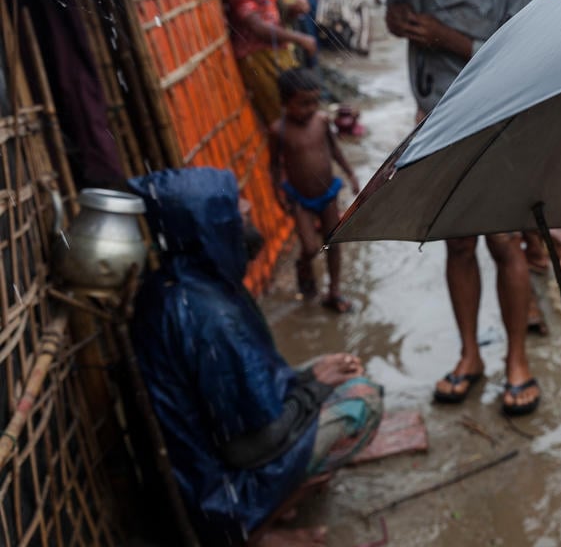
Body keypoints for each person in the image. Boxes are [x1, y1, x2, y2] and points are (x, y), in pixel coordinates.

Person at [129, 167, 383, 546]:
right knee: (363, 399)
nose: (247, 206)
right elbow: (249, 447)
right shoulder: (210, 316)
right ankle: (255, 530)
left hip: (200, 466)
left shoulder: (179, 284)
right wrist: (313, 386)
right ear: (209, 222)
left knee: (323, 369)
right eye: (234, 203)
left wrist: (308, 379)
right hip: (219, 492)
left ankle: (271, 510)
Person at [383, 0, 542, 416]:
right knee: (456, 242)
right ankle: (469, 355)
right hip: (436, 119)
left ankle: (517, 360)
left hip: (496, 120)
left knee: (503, 241)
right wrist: (397, 14)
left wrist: (446, 37)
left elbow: (526, 57)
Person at [270, 68, 360, 313]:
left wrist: (351, 174)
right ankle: (303, 266)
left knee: (333, 240)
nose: (310, 109)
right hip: (299, 198)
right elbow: (275, 165)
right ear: (285, 102)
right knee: (310, 247)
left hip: (327, 193)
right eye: (303, 104)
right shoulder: (279, 130)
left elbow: (335, 150)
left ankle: (334, 291)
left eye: (314, 102)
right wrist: (279, 194)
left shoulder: (321, 122)